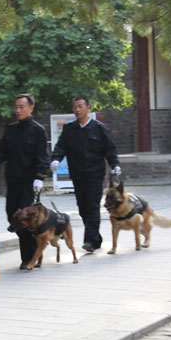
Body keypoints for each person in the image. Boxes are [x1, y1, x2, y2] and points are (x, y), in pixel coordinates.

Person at [0, 94, 51, 269]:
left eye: (22, 107)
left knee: (24, 217)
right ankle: (35, 251)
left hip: (30, 182)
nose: (18, 110)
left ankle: (29, 258)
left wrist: (39, 177)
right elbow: (2, 150)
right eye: (16, 107)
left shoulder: (38, 131)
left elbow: (43, 156)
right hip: (13, 181)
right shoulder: (11, 130)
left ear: (31, 108)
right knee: (11, 215)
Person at [50, 96, 121, 253]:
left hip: (95, 175)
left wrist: (115, 164)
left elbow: (110, 149)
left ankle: (89, 240)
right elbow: (61, 146)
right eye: (75, 107)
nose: (77, 110)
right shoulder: (69, 129)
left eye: (80, 106)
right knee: (82, 208)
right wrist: (56, 159)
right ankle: (96, 239)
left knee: (92, 206)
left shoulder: (99, 128)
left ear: (88, 108)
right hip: (77, 175)